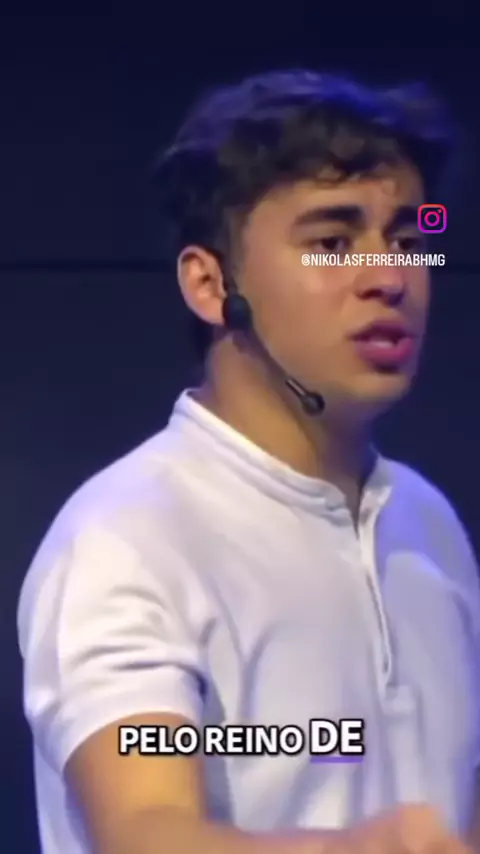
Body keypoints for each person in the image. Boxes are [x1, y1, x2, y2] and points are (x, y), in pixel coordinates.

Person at [17, 69, 480, 854]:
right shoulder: (126, 539)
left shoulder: (426, 523)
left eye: (408, 241)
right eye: (331, 244)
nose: (389, 278)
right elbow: (144, 832)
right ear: (211, 285)